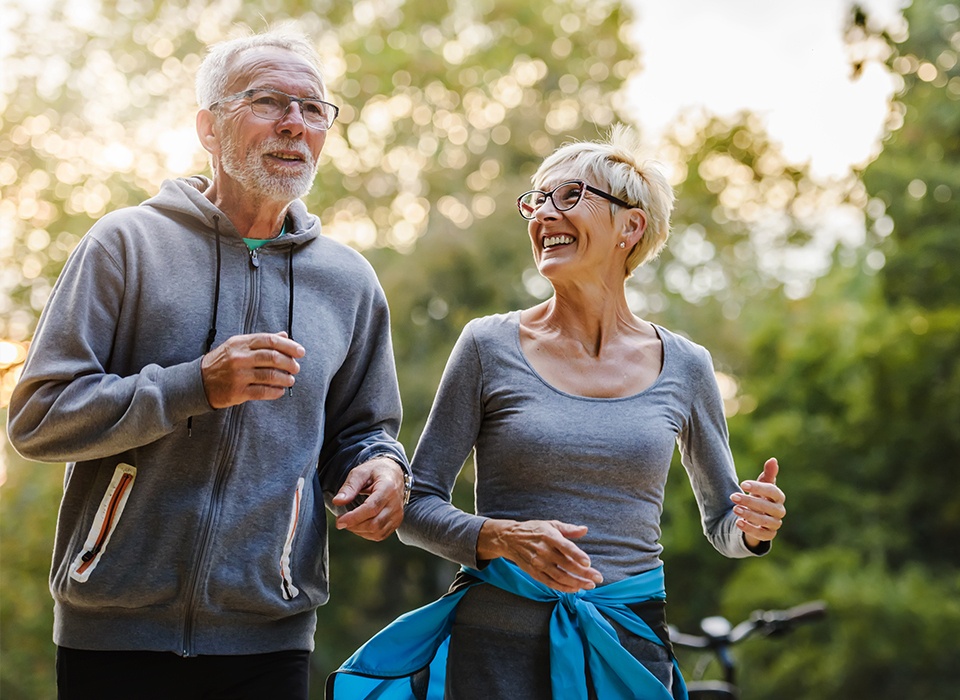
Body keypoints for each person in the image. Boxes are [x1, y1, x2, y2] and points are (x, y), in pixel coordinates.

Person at [6, 27, 412, 700]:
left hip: (269, 634)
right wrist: (196, 385)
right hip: (113, 632)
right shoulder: (125, 245)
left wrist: (382, 467)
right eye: (269, 101)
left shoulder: (349, 280)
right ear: (209, 126)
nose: (294, 124)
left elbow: (365, 431)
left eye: (314, 109)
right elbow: (39, 418)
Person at [326, 126, 786, 700]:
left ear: (631, 226)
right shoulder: (486, 345)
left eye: (568, 196)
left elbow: (725, 529)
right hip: (494, 650)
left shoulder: (687, 366)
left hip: (628, 647)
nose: (544, 214)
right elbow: (415, 507)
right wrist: (501, 537)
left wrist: (753, 528)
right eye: (536, 201)